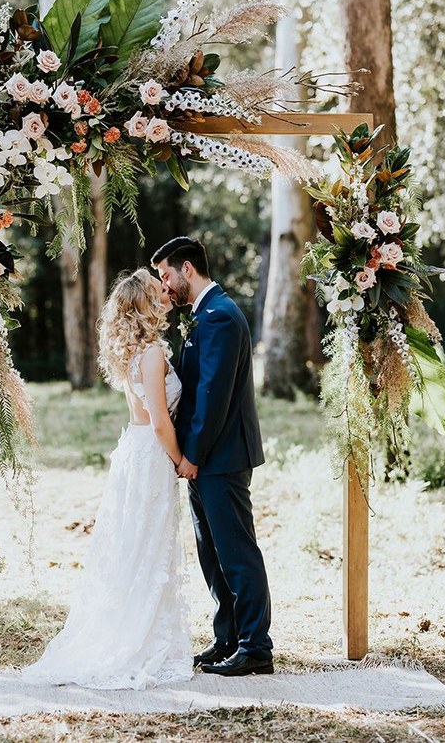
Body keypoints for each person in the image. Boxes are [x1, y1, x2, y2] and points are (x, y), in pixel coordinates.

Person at [23, 269, 192, 689]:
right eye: (157, 291)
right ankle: (137, 638)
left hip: (133, 451)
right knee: (146, 546)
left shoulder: (136, 351)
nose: (166, 292)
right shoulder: (151, 354)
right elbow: (158, 423)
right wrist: (182, 459)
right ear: (145, 306)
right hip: (151, 454)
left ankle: (143, 628)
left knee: (136, 546)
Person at [152, 236, 273, 676]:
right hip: (204, 460)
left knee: (236, 551)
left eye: (166, 275)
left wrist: (193, 456)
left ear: (187, 269)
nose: (164, 285)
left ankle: (256, 646)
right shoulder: (202, 314)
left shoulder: (220, 316)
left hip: (220, 457)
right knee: (212, 553)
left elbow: (213, 396)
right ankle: (227, 639)